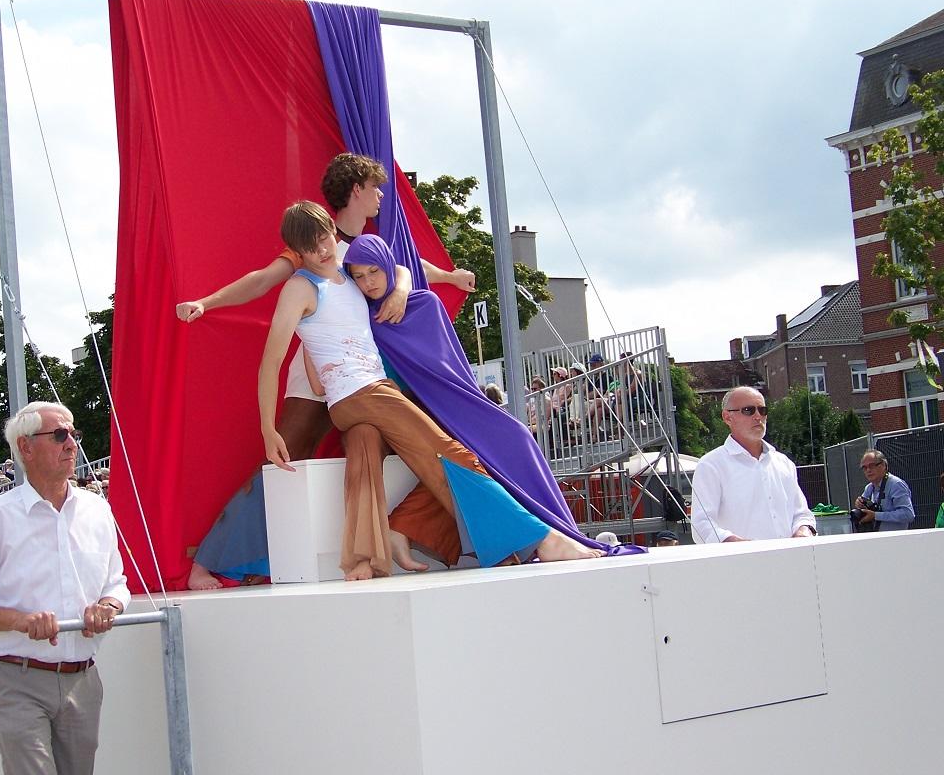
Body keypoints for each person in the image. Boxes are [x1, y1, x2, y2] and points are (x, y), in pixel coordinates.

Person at [177, 152, 475, 589]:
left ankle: (395, 538)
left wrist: (440, 279)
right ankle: (213, 559)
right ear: (356, 189)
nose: (380, 196)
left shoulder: (362, 247)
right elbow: (262, 279)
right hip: (317, 374)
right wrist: (208, 302)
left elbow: (404, 265)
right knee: (285, 455)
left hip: (361, 374)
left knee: (406, 442)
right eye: (375, 187)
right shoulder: (314, 244)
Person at [261, 202, 603, 580]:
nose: (322, 250)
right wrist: (267, 429)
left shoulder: (347, 274)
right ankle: (538, 540)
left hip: (362, 397)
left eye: (325, 238)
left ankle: (365, 559)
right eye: (310, 248)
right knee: (451, 454)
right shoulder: (299, 286)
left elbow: (403, 266)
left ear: (331, 230)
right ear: (298, 252)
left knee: (363, 452)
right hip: (361, 392)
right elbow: (270, 361)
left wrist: (402, 290)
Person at [342, 235, 642, 556]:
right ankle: (542, 540)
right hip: (406, 408)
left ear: (387, 267)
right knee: (470, 458)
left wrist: (413, 286)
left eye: (374, 271)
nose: (367, 282)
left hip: (454, 403)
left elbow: (451, 368)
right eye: (358, 276)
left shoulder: (425, 304)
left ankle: (556, 531)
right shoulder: (359, 317)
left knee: (517, 437)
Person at [0, 401, 130, 775]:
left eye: (74, 434)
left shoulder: (97, 510)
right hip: (14, 680)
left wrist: (108, 605)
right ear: (25, 447)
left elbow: (118, 582)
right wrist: (19, 621)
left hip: (81, 680)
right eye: (59, 435)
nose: (71, 443)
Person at [690, 387, 816, 542]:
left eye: (763, 410)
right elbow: (702, 525)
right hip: (740, 563)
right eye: (748, 410)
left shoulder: (783, 463)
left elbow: (802, 514)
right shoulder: (711, 465)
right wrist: (740, 546)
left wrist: (803, 530)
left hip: (790, 561)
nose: (758, 416)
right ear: (727, 417)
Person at [852, 450, 916, 531]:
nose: (868, 470)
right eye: (864, 468)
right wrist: (859, 505)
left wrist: (876, 516)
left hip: (896, 540)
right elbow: (865, 512)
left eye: (872, 466)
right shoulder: (869, 488)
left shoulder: (896, 484)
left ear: (883, 465)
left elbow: (908, 515)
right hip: (876, 539)